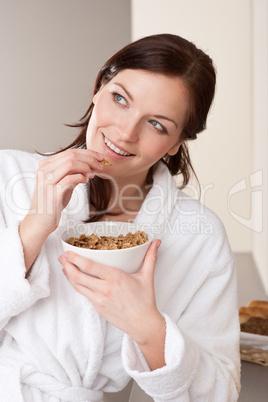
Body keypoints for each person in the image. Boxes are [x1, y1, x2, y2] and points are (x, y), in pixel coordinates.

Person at [0, 33, 241, 401]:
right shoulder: (9, 176)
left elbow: (221, 392)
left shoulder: (199, 237)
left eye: (157, 124)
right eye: (120, 99)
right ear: (99, 86)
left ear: (176, 143)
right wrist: (33, 227)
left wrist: (148, 328)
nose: (125, 133)